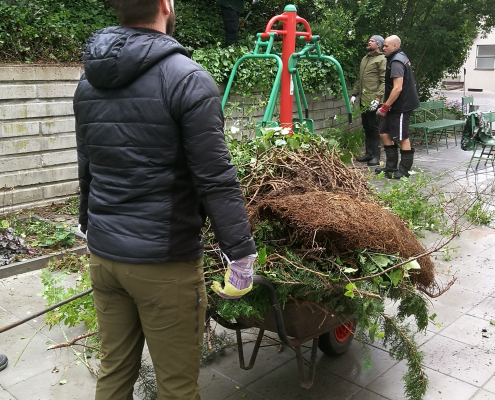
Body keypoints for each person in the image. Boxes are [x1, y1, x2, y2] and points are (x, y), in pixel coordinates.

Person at [73, 0, 257, 399]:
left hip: (104, 256)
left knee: (114, 374)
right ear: (164, 5)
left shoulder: (87, 82)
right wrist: (240, 255)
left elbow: (87, 164)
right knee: (176, 387)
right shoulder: (187, 78)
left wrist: (88, 225)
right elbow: (216, 178)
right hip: (164, 263)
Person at [375, 35, 420, 179]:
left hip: (401, 106)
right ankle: (391, 167)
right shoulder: (398, 57)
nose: (383, 48)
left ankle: (404, 171)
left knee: (402, 137)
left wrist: (384, 107)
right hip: (394, 106)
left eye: (386, 46)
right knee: (384, 133)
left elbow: (397, 88)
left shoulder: (396, 62)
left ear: (395, 46)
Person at [350, 35, 386, 166]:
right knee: (366, 127)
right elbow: (360, 78)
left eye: (371, 41)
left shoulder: (381, 59)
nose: (368, 42)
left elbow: (383, 80)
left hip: (373, 101)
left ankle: (376, 156)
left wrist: (378, 98)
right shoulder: (365, 59)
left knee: (374, 127)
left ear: (378, 44)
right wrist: (354, 94)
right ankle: (368, 153)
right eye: (369, 40)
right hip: (363, 100)